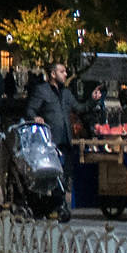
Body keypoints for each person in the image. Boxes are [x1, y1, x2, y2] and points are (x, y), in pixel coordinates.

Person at [25, 61, 85, 189]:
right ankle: (55, 204)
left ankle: (61, 203)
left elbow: (79, 108)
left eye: (65, 72)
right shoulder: (42, 90)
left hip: (66, 142)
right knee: (53, 178)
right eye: (62, 72)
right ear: (53, 74)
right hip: (51, 143)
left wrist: (93, 100)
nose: (65, 74)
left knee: (64, 177)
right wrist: (35, 117)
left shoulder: (66, 93)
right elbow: (30, 110)